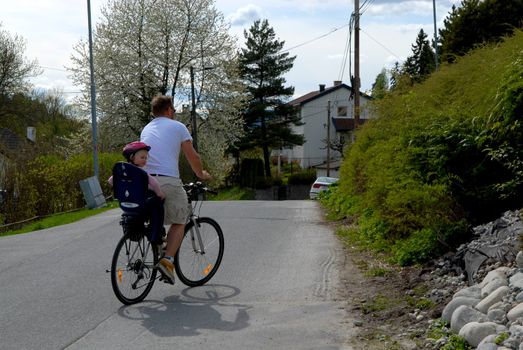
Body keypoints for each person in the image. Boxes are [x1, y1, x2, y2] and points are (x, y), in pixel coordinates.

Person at [141, 95, 211, 284]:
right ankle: (167, 261)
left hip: (145, 181)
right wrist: (201, 175)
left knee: (158, 216)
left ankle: (157, 244)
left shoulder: (146, 128)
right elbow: (193, 157)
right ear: (170, 110)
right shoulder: (178, 127)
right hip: (167, 180)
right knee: (180, 220)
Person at [108, 141, 166, 244]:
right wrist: (160, 193)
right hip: (140, 204)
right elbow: (154, 182)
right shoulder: (139, 172)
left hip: (125, 204)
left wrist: (123, 189)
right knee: (158, 205)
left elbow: (110, 181)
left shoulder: (122, 171)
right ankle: (154, 234)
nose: (145, 160)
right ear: (132, 157)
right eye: (142, 157)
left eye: (146, 158)